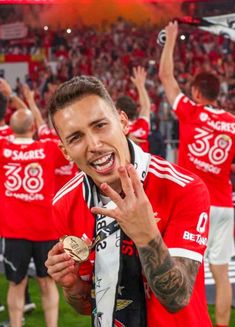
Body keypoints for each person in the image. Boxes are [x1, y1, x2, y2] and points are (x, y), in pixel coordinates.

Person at [45, 75, 212, 327]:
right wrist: (72, 285)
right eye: (76, 137)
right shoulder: (64, 203)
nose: (94, 144)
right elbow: (91, 304)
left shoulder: (184, 189)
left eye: (100, 125)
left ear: (122, 122)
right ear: (65, 151)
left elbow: (177, 298)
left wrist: (146, 236)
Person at [158, 21, 235, 327]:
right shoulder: (232, 122)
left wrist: (171, 40)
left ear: (196, 92)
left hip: (194, 202)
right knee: (220, 271)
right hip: (225, 205)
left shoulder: (191, 111)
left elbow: (166, 76)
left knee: (187, 269)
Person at [0, 108, 64, 327]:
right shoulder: (47, 148)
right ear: (33, 127)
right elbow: (55, 134)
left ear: (11, 128)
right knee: (47, 283)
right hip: (46, 229)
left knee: (16, 284)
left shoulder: (2, 148)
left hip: (13, 231)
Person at [116, 66, 151, 152]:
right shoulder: (142, 124)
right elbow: (146, 106)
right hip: (144, 165)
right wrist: (140, 86)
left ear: (119, 111)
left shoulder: (117, 129)